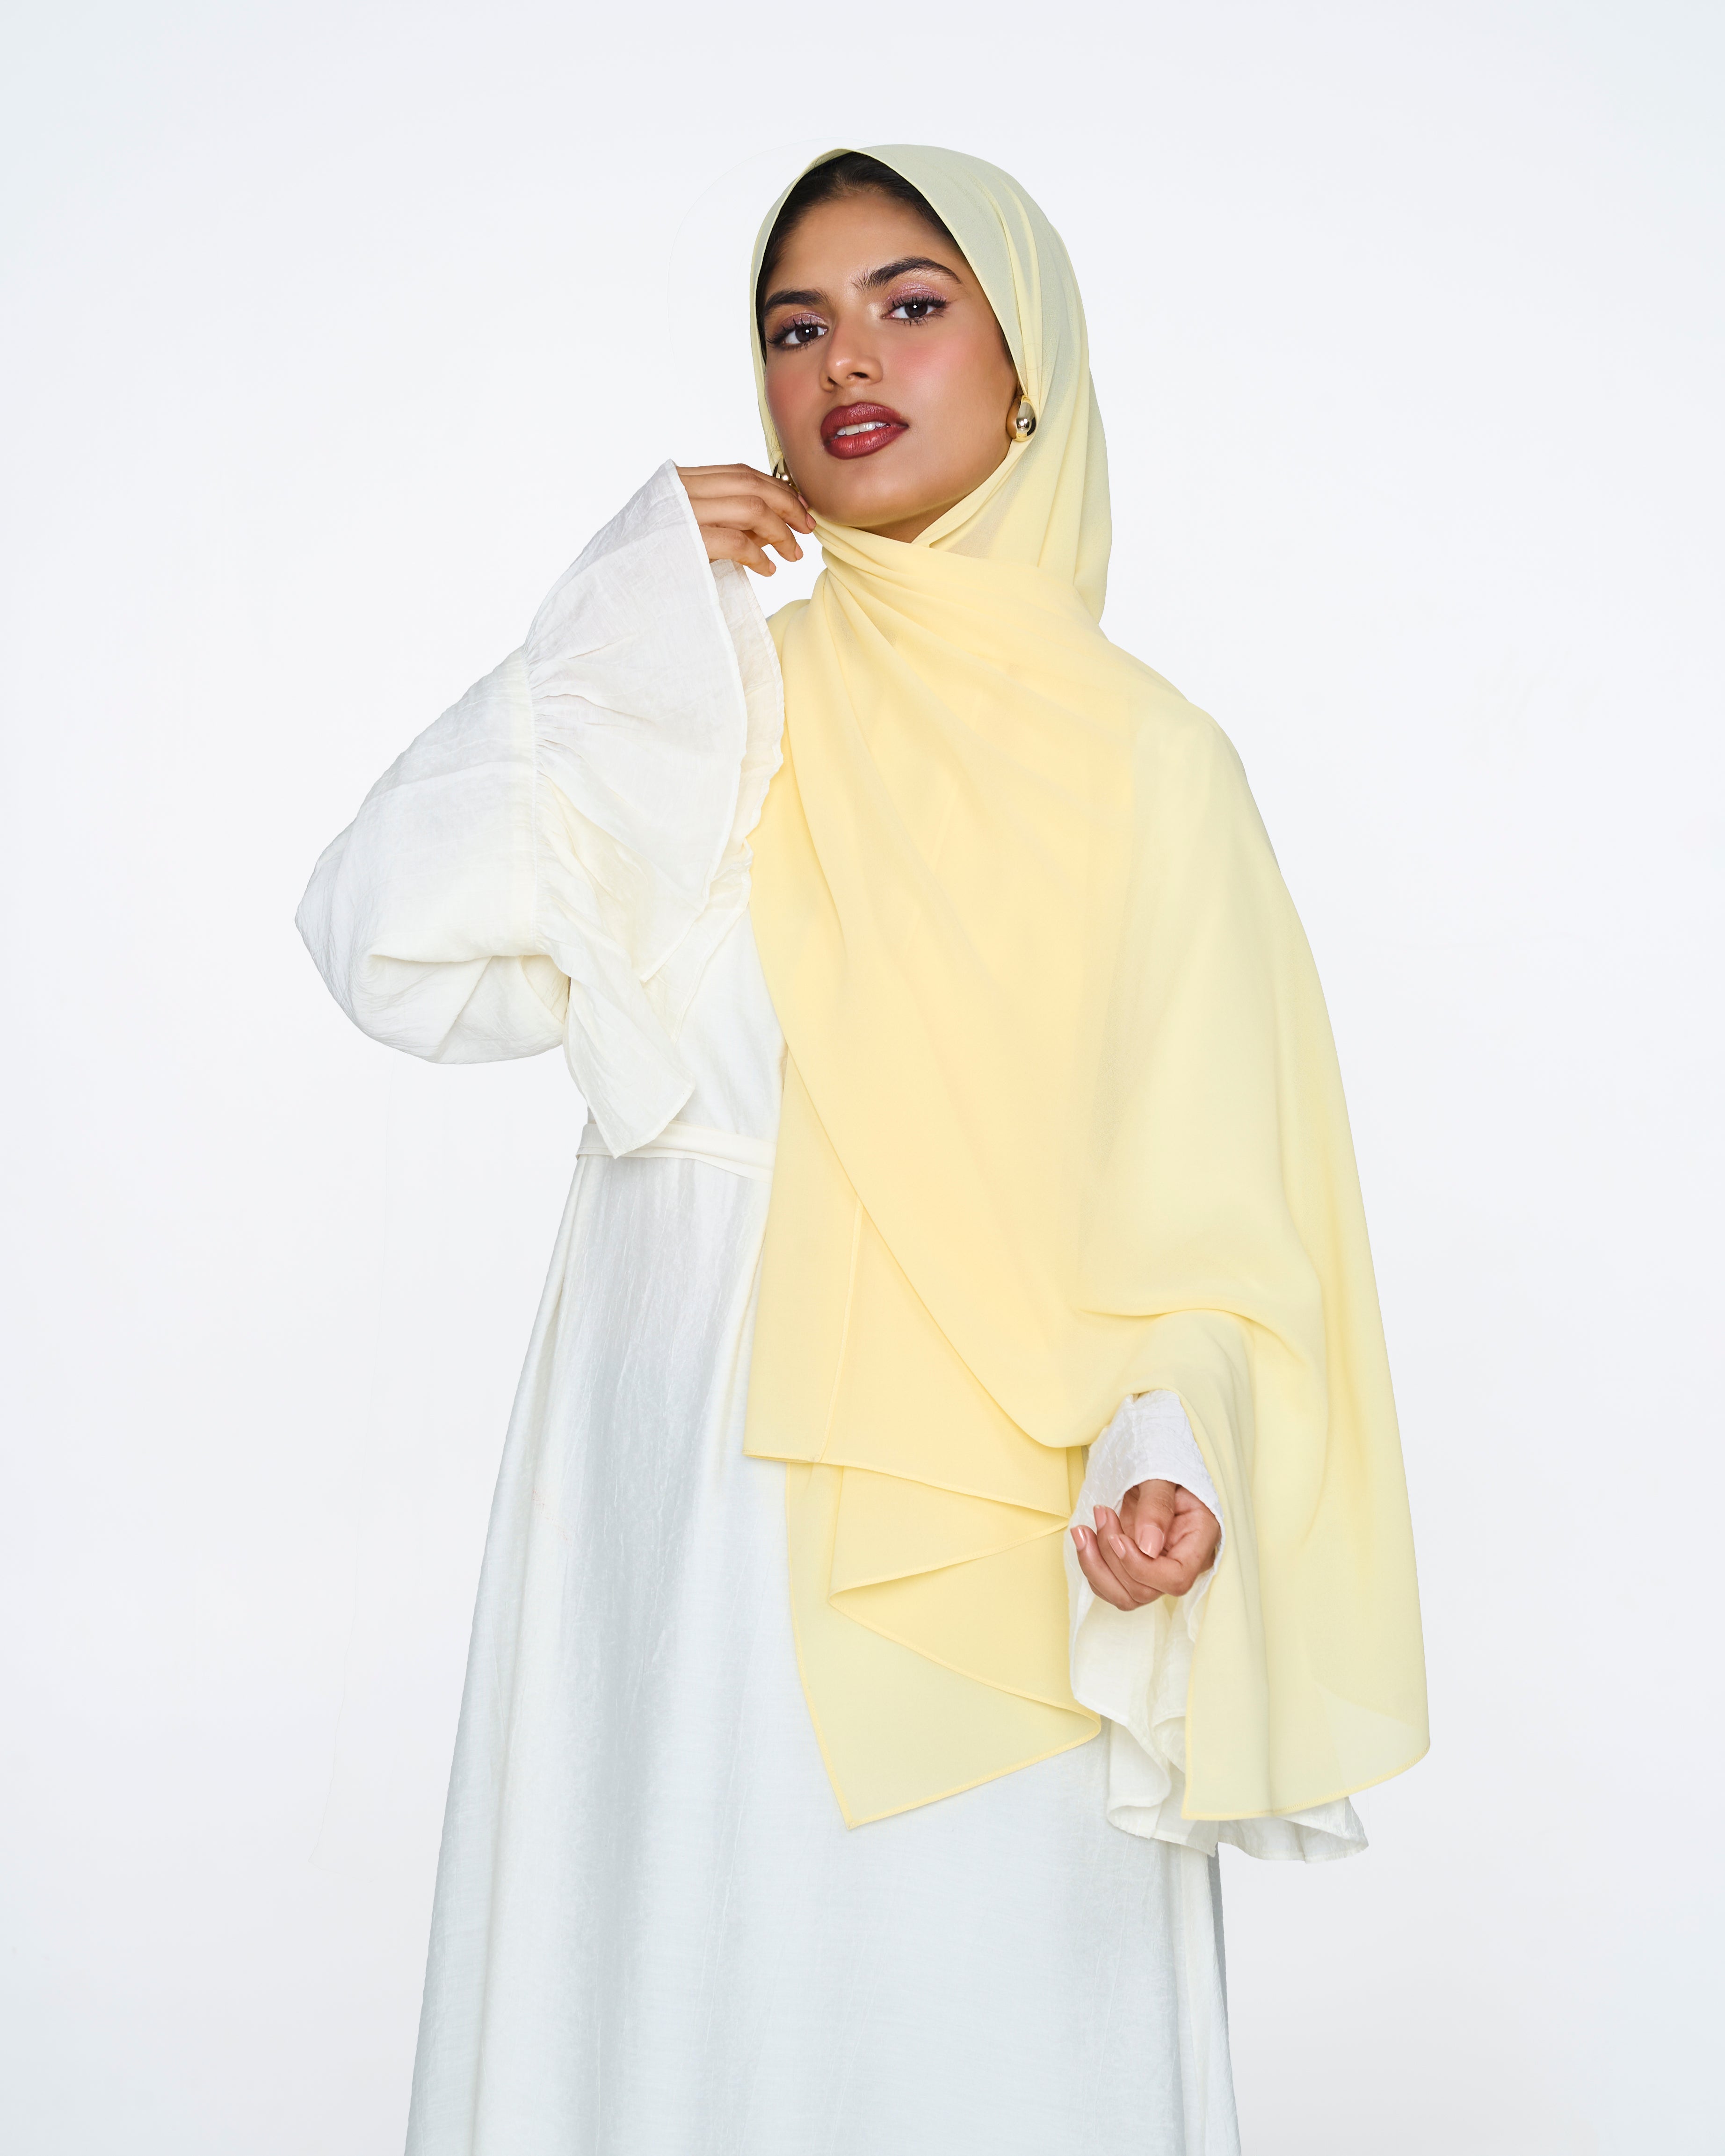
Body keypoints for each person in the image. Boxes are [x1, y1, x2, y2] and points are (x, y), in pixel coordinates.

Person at [299, 145, 1427, 2156]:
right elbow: (387, 938)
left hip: (994, 1524)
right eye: (794, 323)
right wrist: (609, 626)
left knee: (969, 2037)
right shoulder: (701, 710)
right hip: (675, 1498)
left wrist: (1170, 1455)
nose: (845, 360)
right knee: (667, 1998)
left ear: (1027, 360)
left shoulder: (1152, 767)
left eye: (912, 304)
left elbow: (1208, 1194)